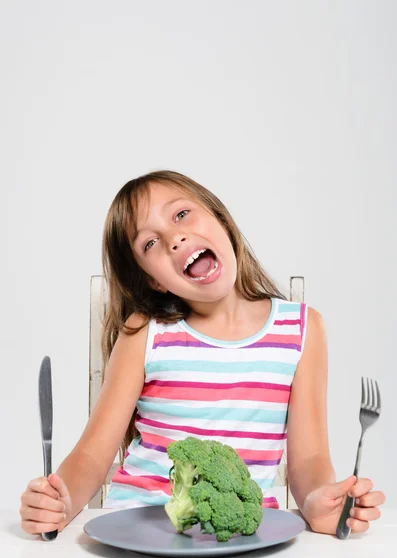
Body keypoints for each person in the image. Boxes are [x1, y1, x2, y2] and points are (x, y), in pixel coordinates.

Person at [20, 170, 385, 537]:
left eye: (181, 215)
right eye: (149, 244)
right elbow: (92, 456)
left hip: (242, 539)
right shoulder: (145, 332)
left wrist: (319, 502)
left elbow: (309, 461)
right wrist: (61, 501)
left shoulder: (302, 330)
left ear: (219, 218)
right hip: (138, 530)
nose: (174, 239)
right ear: (153, 280)